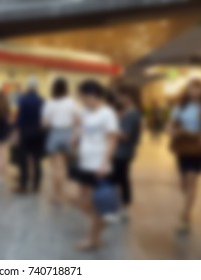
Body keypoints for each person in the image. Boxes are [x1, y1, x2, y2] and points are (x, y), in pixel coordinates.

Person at [70, 80, 119, 250]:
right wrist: (76, 138)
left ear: (94, 95)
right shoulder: (85, 111)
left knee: (94, 202)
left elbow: (112, 140)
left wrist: (105, 163)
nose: (82, 100)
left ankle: (93, 239)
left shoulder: (108, 114)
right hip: (84, 162)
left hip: (99, 165)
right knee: (83, 202)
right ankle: (104, 219)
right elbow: (82, 129)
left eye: (84, 96)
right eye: (81, 97)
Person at [168, 79, 201, 232]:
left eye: (199, 89)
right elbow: (171, 124)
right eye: (192, 89)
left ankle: (185, 216)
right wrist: (172, 130)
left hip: (200, 147)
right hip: (183, 147)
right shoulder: (181, 106)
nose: (195, 92)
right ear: (188, 90)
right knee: (183, 182)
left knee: (192, 180)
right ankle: (188, 204)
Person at [42, 78, 81, 202]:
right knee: (64, 167)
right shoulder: (71, 102)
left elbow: (45, 124)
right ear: (66, 88)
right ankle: (62, 193)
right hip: (68, 133)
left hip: (54, 133)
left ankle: (56, 194)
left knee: (55, 167)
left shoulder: (50, 103)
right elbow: (78, 120)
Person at [113, 85, 142, 220]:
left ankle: (124, 207)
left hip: (122, 151)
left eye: (120, 95)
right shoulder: (130, 112)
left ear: (127, 97)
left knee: (121, 179)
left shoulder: (131, 114)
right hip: (123, 150)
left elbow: (126, 135)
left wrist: (110, 131)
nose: (118, 98)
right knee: (121, 179)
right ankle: (122, 206)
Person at [14, 77, 44, 193]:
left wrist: (16, 131)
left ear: (28, 86)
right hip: (38, 133)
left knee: (23, 160)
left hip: (25, 132)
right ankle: (37, 185)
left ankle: (23, 185)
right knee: (37, 160)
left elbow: (19, 118)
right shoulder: (42, 100)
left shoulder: (23, 100)